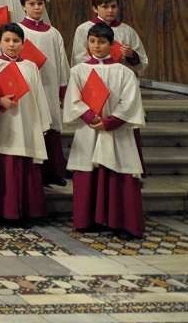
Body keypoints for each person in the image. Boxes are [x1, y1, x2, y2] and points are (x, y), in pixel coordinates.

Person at [64, 23, 145, 238]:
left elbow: (130, 102)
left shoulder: (124, 72)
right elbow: (73, 100)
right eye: (92, 42)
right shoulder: (78, 71)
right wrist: (91, 117)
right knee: (88, 170)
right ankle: (88, 220)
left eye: (101, 42)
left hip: (117, 132)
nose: (96, 46)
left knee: (120, 172)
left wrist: (110, 122)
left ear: (112, 44)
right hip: (89, 129)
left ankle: (123, 223)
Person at [0, 23, 51, 223]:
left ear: (23, 44)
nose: (11, 45)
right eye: (7, 40)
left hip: (27, 124)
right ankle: (4, 212)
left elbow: (38, 96)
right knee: (5, 169)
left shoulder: (30, 66)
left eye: (16, 41)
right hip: (2, 124)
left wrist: (42, 123)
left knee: (26, 169)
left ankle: (28, 211)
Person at [18, 0, 71, 186]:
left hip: (49, 85)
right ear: (23, 6)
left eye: (40, 3)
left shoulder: (53, 32)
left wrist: (63, 88)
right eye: (32, 4)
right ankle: (34, 175)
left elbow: (62, 63)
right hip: (28, 87)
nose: (37, 7)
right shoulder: (18, 30)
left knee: (51, 126)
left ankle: (55, 172)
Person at [71, 0, 148, 73]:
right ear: (95, 8)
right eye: (105, 7)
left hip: (120, 78)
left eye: (113, 6)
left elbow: (142, 63)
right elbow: (79, 58)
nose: (110, 10)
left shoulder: (127, 31)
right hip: (93, 78)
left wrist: (132, 55)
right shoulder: (83, 29)